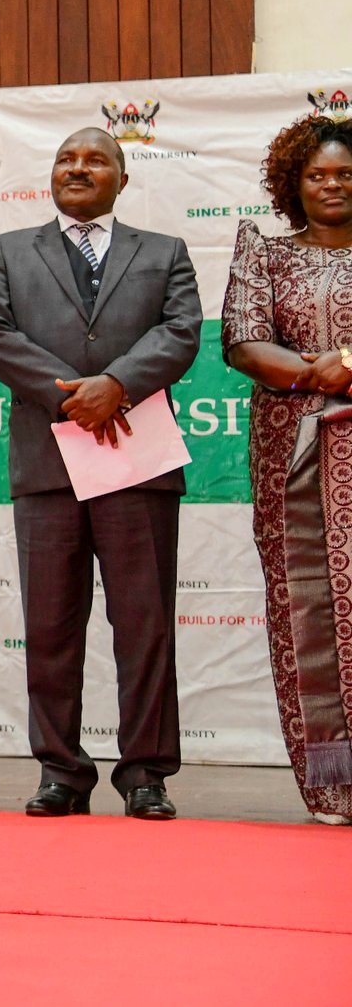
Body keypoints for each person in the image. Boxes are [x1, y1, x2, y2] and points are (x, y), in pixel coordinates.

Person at [0, 128, 201, 821]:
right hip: (48, 463)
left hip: (138, 461)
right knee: (50, 625)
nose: (78, 168)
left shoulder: (165, 253)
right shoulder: (7, 251)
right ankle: (61, 771)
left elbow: (182, 331)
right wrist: (75, 393)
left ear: (122, 178)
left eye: (96, 159)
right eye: (66, 159)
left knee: (144, 622)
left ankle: (145, 774)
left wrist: (118, 384)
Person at [222, 114, 352, 825]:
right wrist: (322, 374)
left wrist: (349, 364)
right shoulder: (263, 253)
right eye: (317, 174)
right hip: (292, 456)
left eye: (344, 174)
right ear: (293, 182)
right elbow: (244, 343)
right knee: (307, 614)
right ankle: (332, 782)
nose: (331, 185)